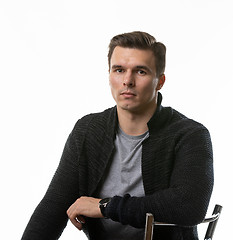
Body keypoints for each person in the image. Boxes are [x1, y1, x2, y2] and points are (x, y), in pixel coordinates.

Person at [21, 31, 214, 240]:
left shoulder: (190, 135)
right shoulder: (88, 131)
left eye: (140, 72)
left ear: (160, 81)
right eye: (119, 70)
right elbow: (52, 209)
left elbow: (189, 206)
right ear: (109, 74)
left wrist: (106, 206)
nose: (127, 81)